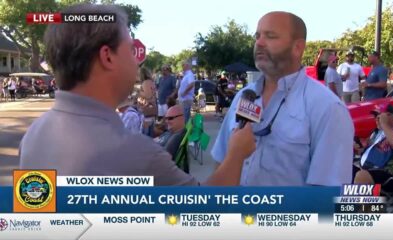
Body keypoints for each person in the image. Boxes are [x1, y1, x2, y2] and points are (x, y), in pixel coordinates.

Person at [19, 3, 255, 186]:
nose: (137, 62)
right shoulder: (134, 152)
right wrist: (236, 153)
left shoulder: (34, 133)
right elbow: (205, 209)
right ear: (107, 57)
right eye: (131, 50)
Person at [212, 11, 354, 186]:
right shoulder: (244, 96)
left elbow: (326, 197)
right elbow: (220, 161)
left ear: (298, 47)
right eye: (257, 36)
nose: (259, 42)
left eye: (270, 36)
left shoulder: (328, 108)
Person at [353, 103, 393, 194]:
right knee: (344, 169)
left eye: (379, 117)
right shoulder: (376, 133)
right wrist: (357, 150)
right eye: (375, 117)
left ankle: (362, 207)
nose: (376, 120)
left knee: (362, 176)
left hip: (390, 172)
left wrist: (385, 125)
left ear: (389, 116)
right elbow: (369, 150)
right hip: (367, 168)